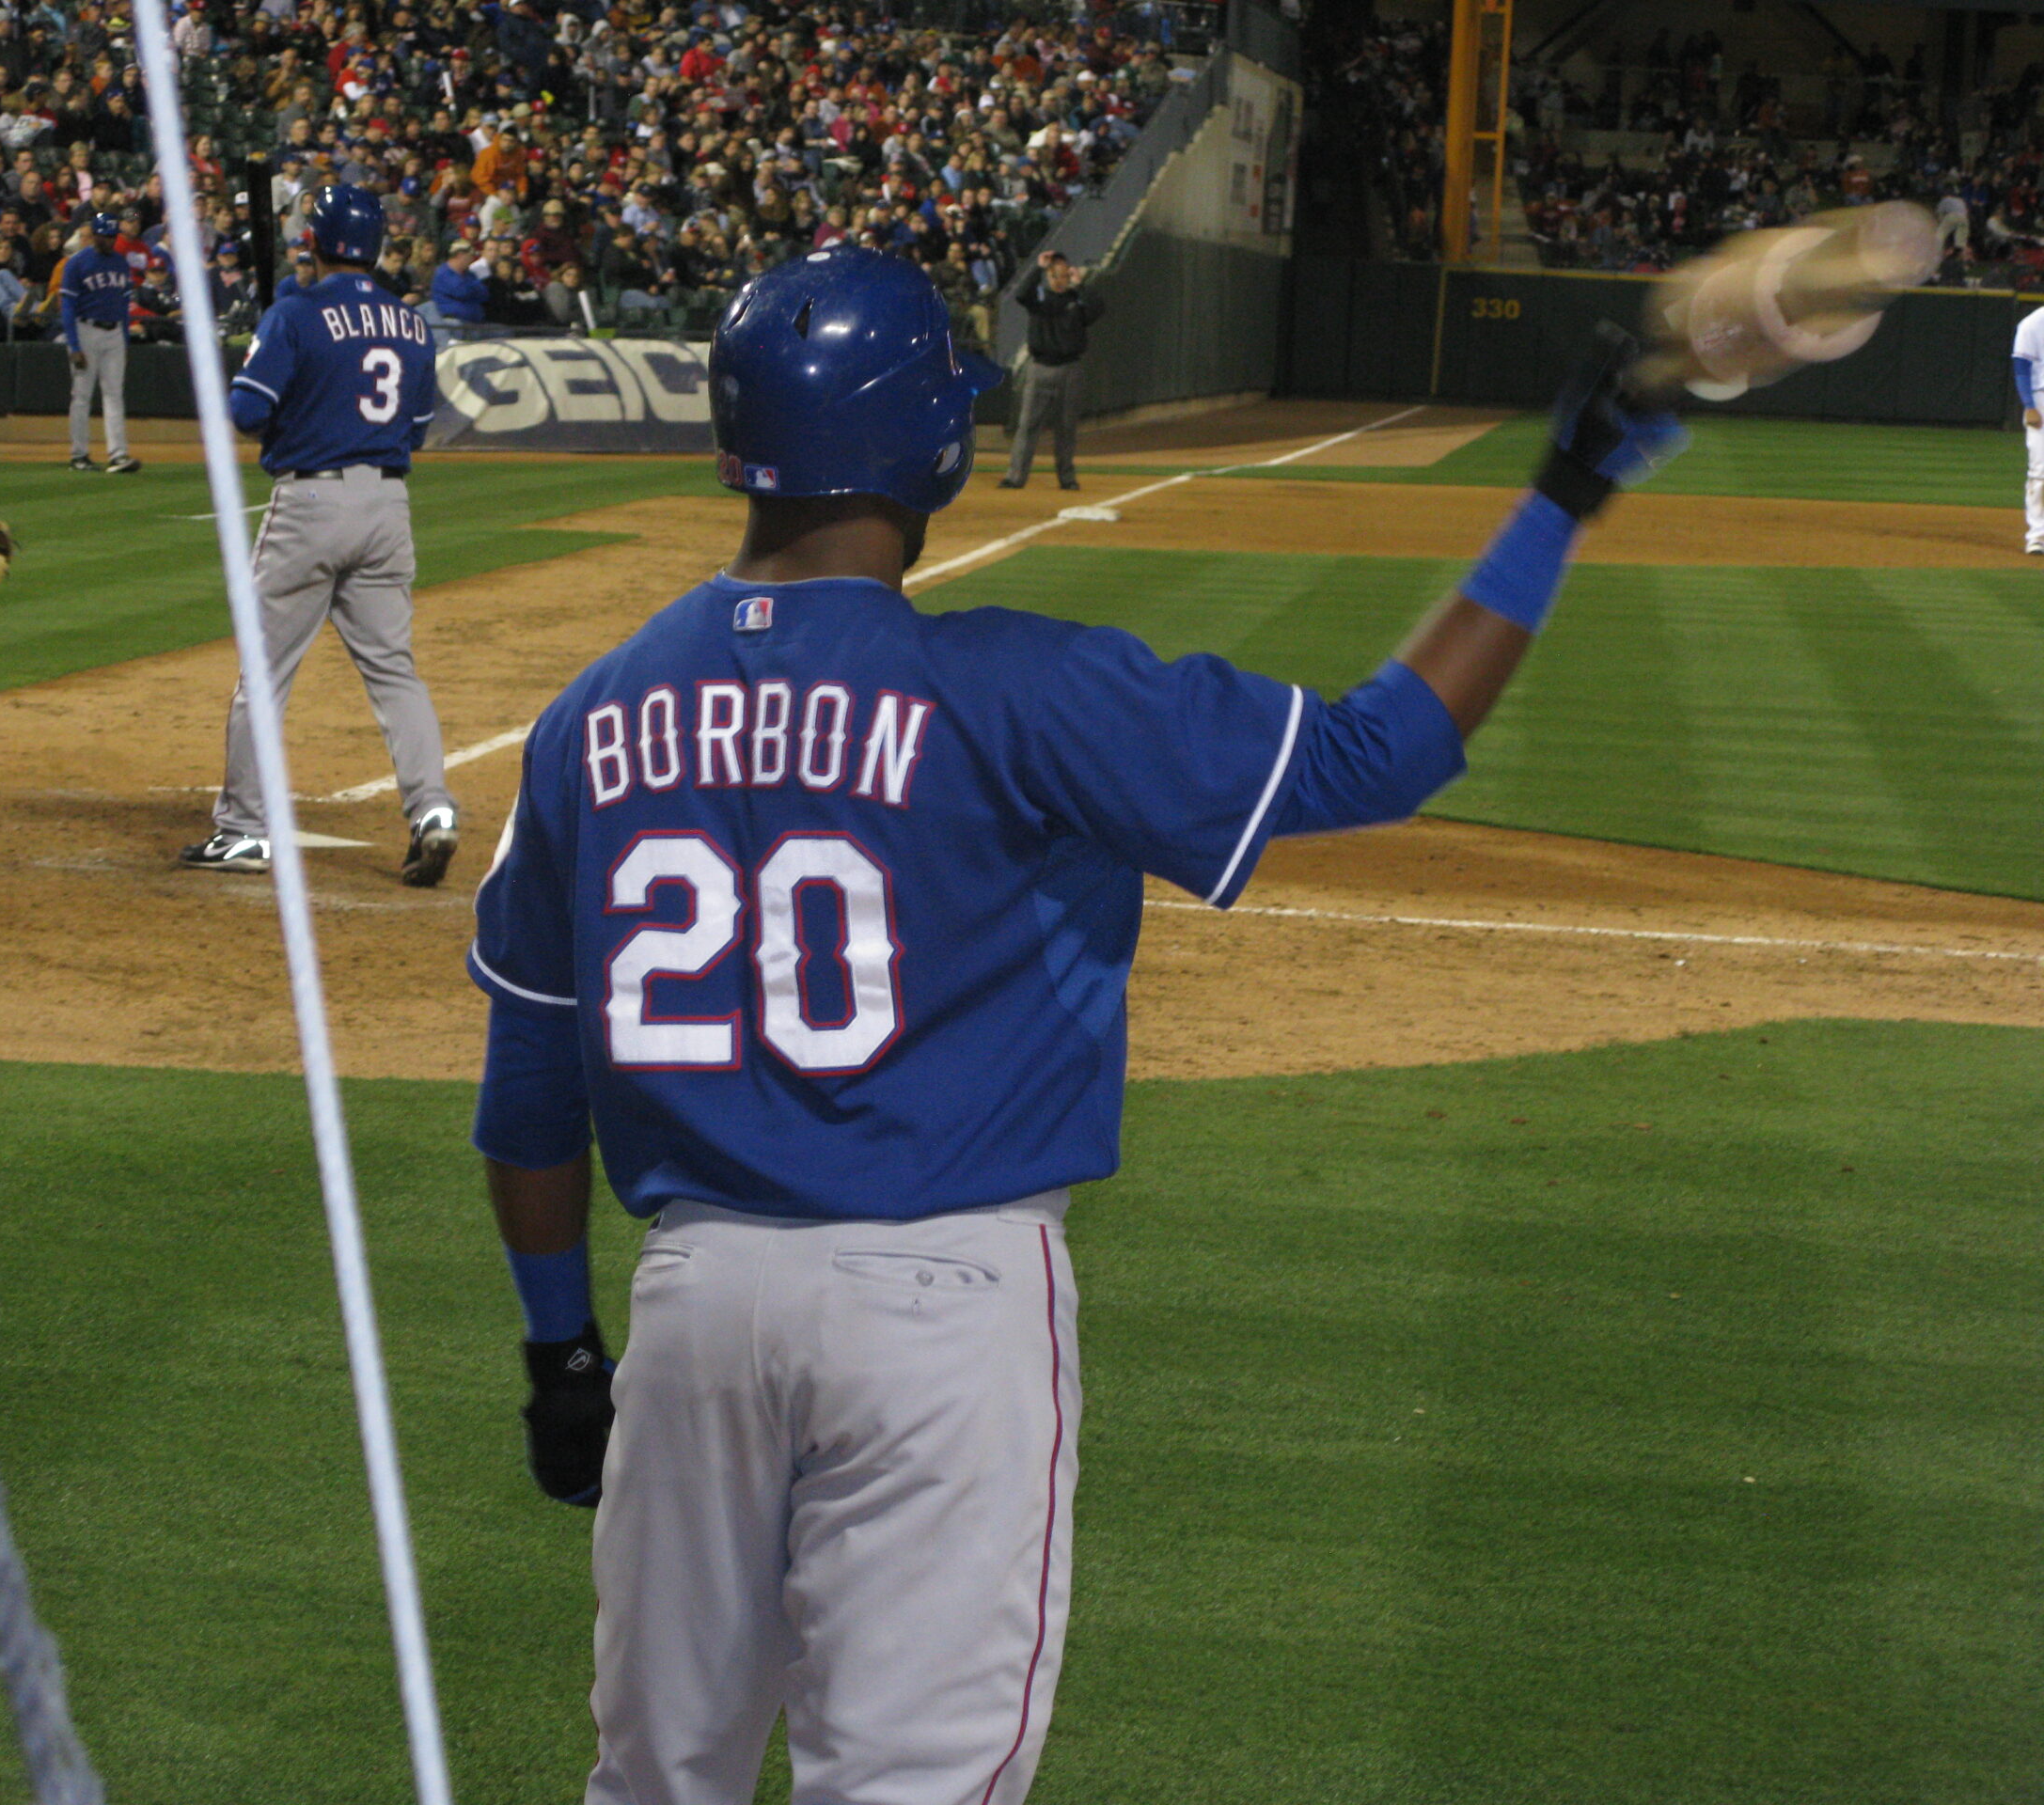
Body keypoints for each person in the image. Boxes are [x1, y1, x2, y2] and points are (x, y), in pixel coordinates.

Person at [464, 252, 1685, 1802]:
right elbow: (1385, 751)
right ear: (934, 449)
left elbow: (527, 1089)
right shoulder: (1024, 690)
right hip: (940, 1310)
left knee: (652, 1783)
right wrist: (1564, 493)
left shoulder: (590, 720)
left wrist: (564, 1349)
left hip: (693, 1311)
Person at [181, 183, 461, 888]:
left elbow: (246, 411)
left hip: (310, 504)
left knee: (263, 677)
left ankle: (244, 830)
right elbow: (415, 431)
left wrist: (272, 342)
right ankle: (433, 811)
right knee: (394, 671)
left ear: (315, 241)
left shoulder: (296, 313)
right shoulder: (412, 323)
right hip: (388, 507)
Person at [1001, 249, 1104, 491]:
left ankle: (1067, 479)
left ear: (1070, 275)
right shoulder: (1039, 299)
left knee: (1067, 428)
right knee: (1027, 426)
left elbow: (1098, 309)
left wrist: (1081, 285)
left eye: (1063, 275)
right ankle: (1015, 477)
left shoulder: (1076, 300)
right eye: (1055, 275)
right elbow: (1021, 294)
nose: (1060, 280)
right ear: (1048, 276)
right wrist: (1037, 268)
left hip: (1070, 368)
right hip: (1040, 368)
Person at [59, 212, 140, 473]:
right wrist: (73, 345)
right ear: (93, 235)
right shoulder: (77, 263)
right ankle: (79, 455)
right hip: (86, 330)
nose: (108, 240)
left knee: (114, 394)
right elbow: (68, 306)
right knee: (82, 396)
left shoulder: (120, 262)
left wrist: (125, 339)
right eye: (104, 236)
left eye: (112, 236)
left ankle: (118, 455)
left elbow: (124, 305)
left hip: (114, 332)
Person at [2015, 301, 2044, 553]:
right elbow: (2021, 369)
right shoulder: (2033, 323)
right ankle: (2038, 535)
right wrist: (2029, 405)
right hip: (2041, 399)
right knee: (2040, 470)